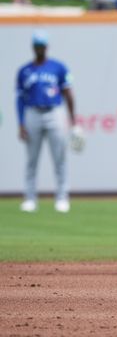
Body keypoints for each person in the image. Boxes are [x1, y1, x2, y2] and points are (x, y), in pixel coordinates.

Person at [16, 31, 77, 213]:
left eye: (42, 46)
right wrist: (20, 123)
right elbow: (19, 99)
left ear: (47, 47)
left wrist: (73, 121)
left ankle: (62, 197)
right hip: (32, 112)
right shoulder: (24, 70)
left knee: (59, 157)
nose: (40, 49)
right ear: (33, 47)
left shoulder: (58, 67)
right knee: (31, 159)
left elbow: (68, 94)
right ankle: (30, 198)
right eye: (37, 46)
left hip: (54, 112)